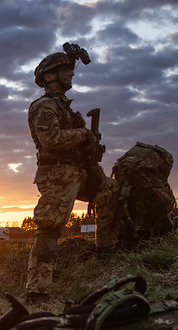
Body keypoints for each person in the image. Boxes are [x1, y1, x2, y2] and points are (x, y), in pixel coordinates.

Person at [24, 43, 115, 303]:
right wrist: (83, 135)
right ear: (49, 75)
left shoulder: (65, 108)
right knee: (50, 227)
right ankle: (37, 291)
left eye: (70, 69)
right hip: (57, 173)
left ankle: (106, 252)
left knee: (110, 190)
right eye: (65, 69)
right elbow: (50, 139)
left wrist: (91, 145)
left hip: (80, 171)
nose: (71, 74)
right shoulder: (44, 106)